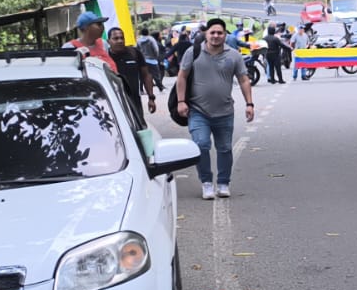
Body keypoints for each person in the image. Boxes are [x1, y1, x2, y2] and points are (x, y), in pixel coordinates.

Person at [175, 18, 254, 200]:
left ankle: (224, 183)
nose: (216, 36)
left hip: (225, 112)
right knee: (201, 145)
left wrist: (249, 104)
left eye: (220, 33)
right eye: (212, 32)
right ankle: (206, 183)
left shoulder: (234, 55)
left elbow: (243, 79)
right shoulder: (193, 52)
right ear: (206, 34)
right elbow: (182, 76)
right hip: (198, 110)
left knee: (225, 148)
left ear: (225, 35)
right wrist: (181, 101)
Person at [107, 27, 158, 126]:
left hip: (135, 104)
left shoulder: (134, 53)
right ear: (109, 41)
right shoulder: (105, 57)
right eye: (116, 38)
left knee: (140, 129)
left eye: (122, 38)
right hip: (115, 105)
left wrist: (151, 98)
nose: (120, 41)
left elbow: (146, 75)